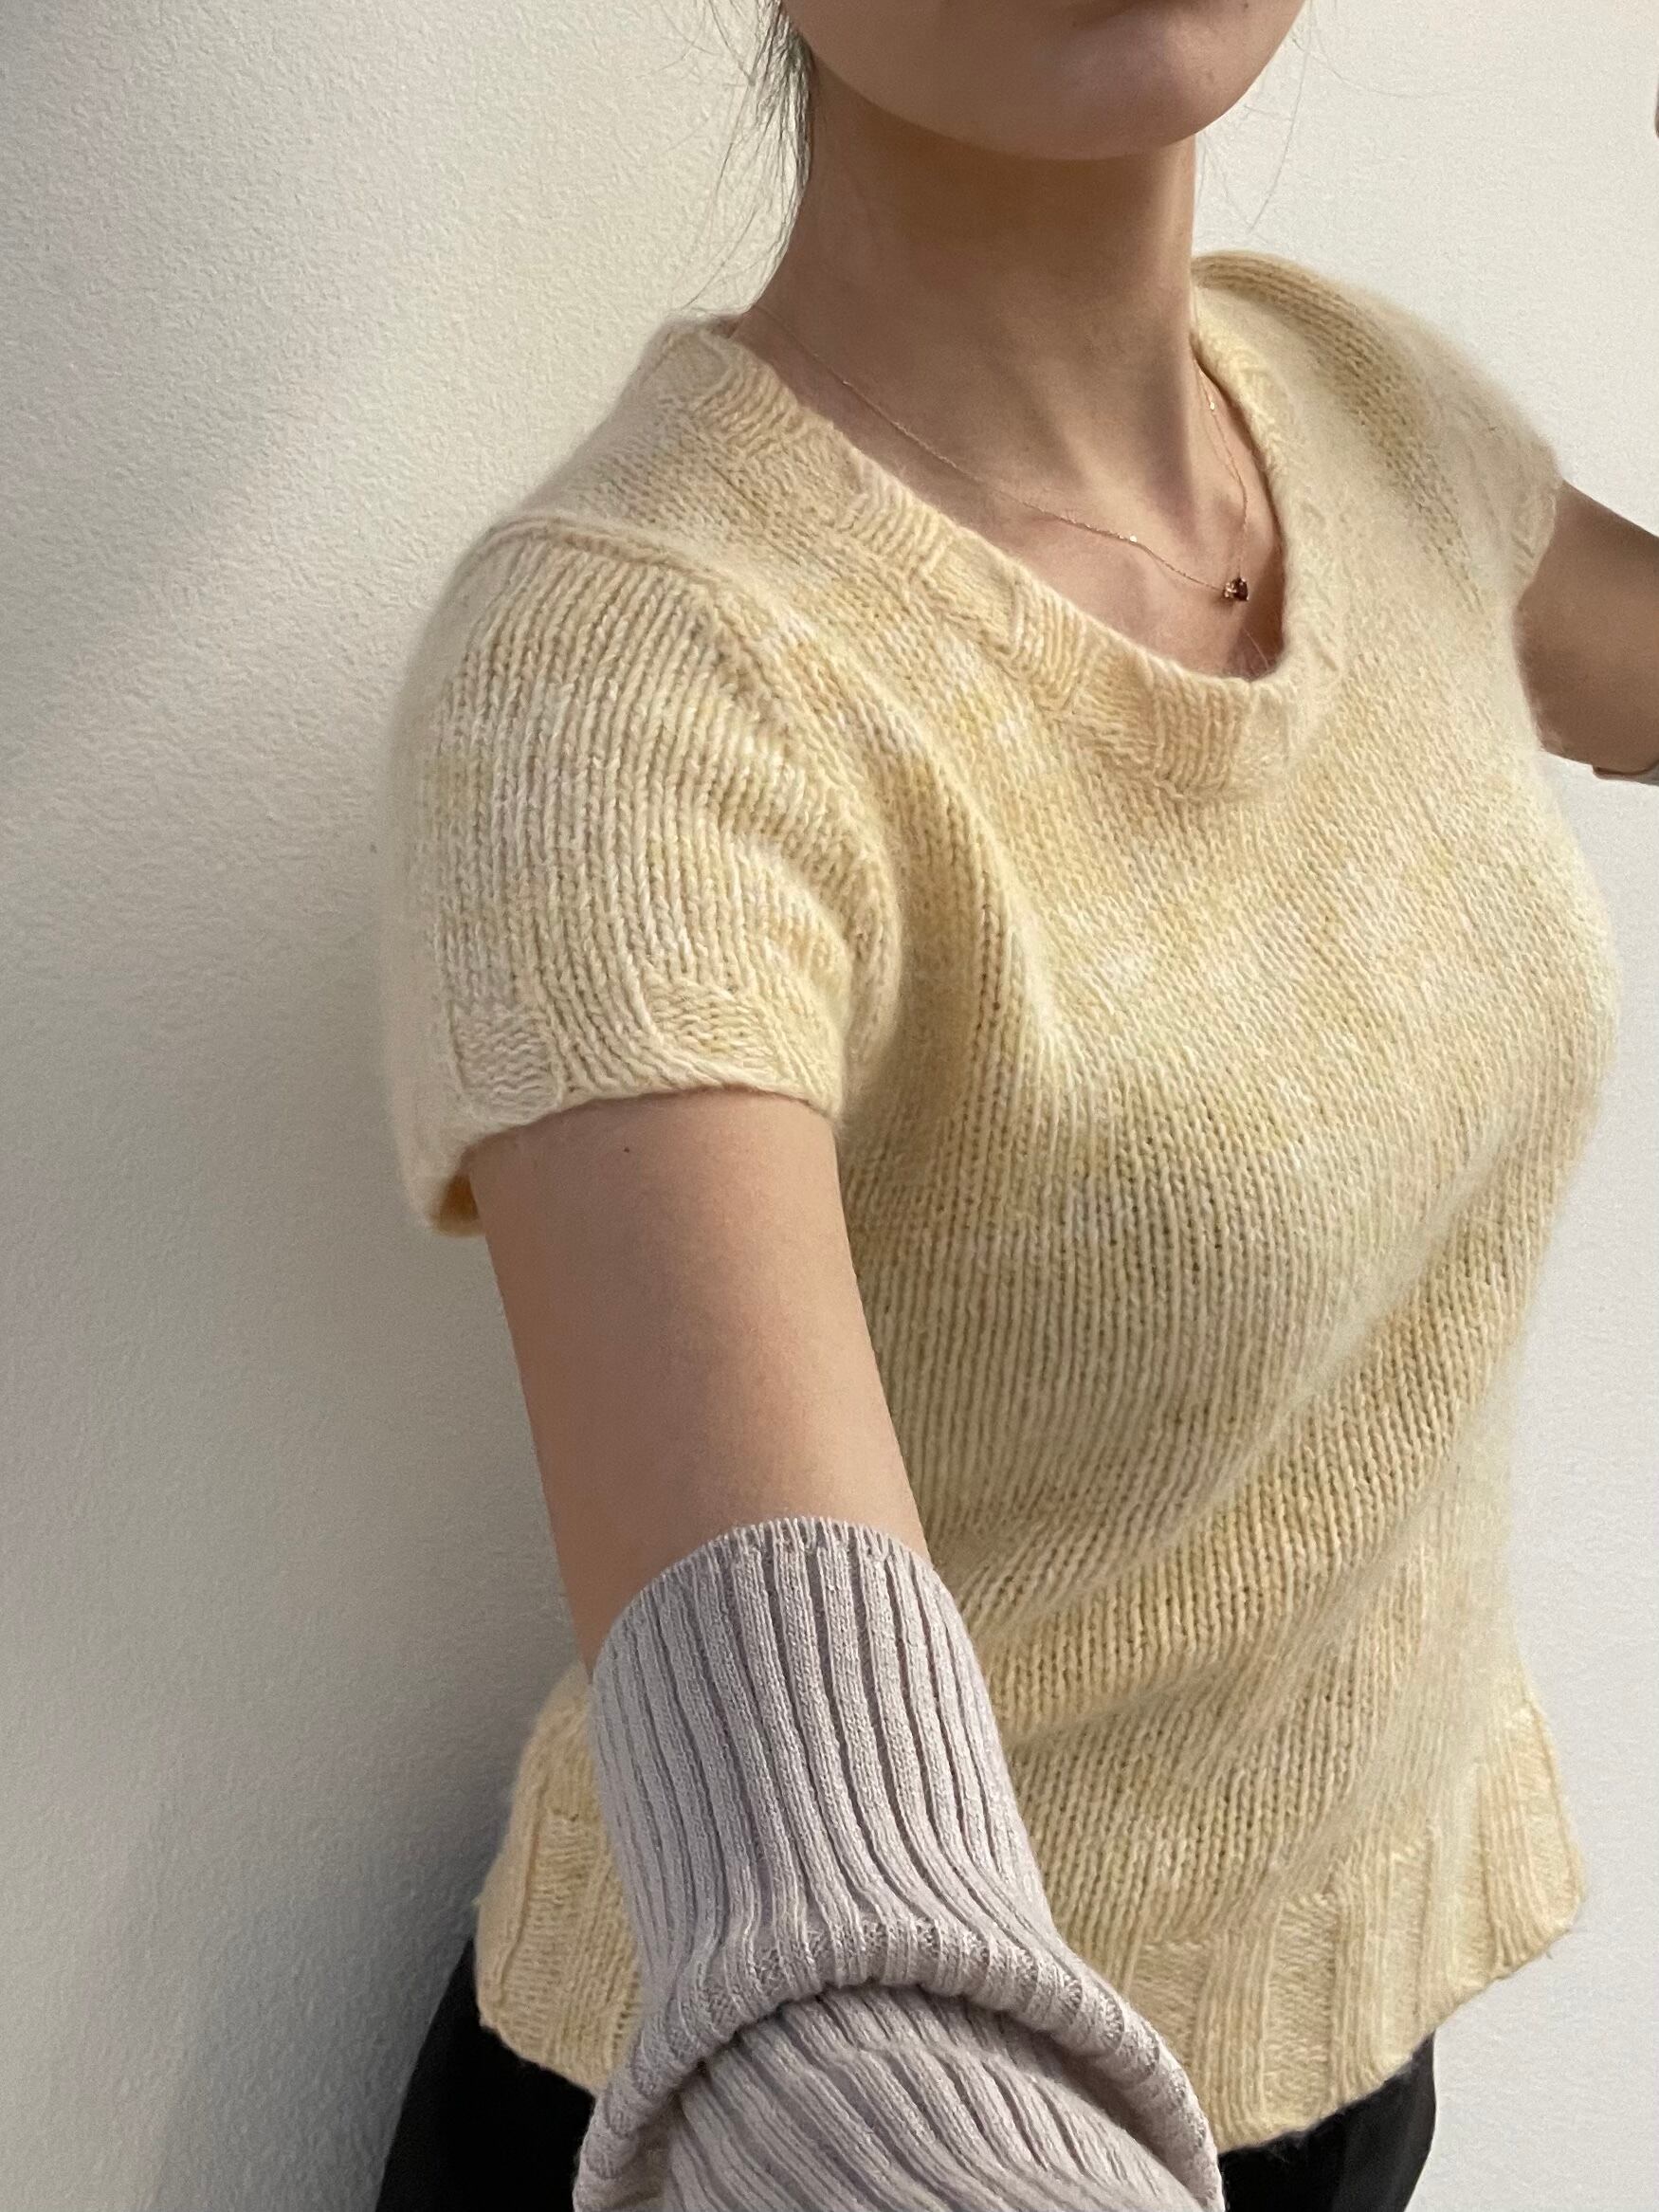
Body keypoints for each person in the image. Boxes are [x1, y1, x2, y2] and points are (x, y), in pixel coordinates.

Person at [372, 3, 1659, 2207]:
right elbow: (825, 1952)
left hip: (1330, 2079)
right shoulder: (627, 687)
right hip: (844, 2141)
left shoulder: (1371, 422)